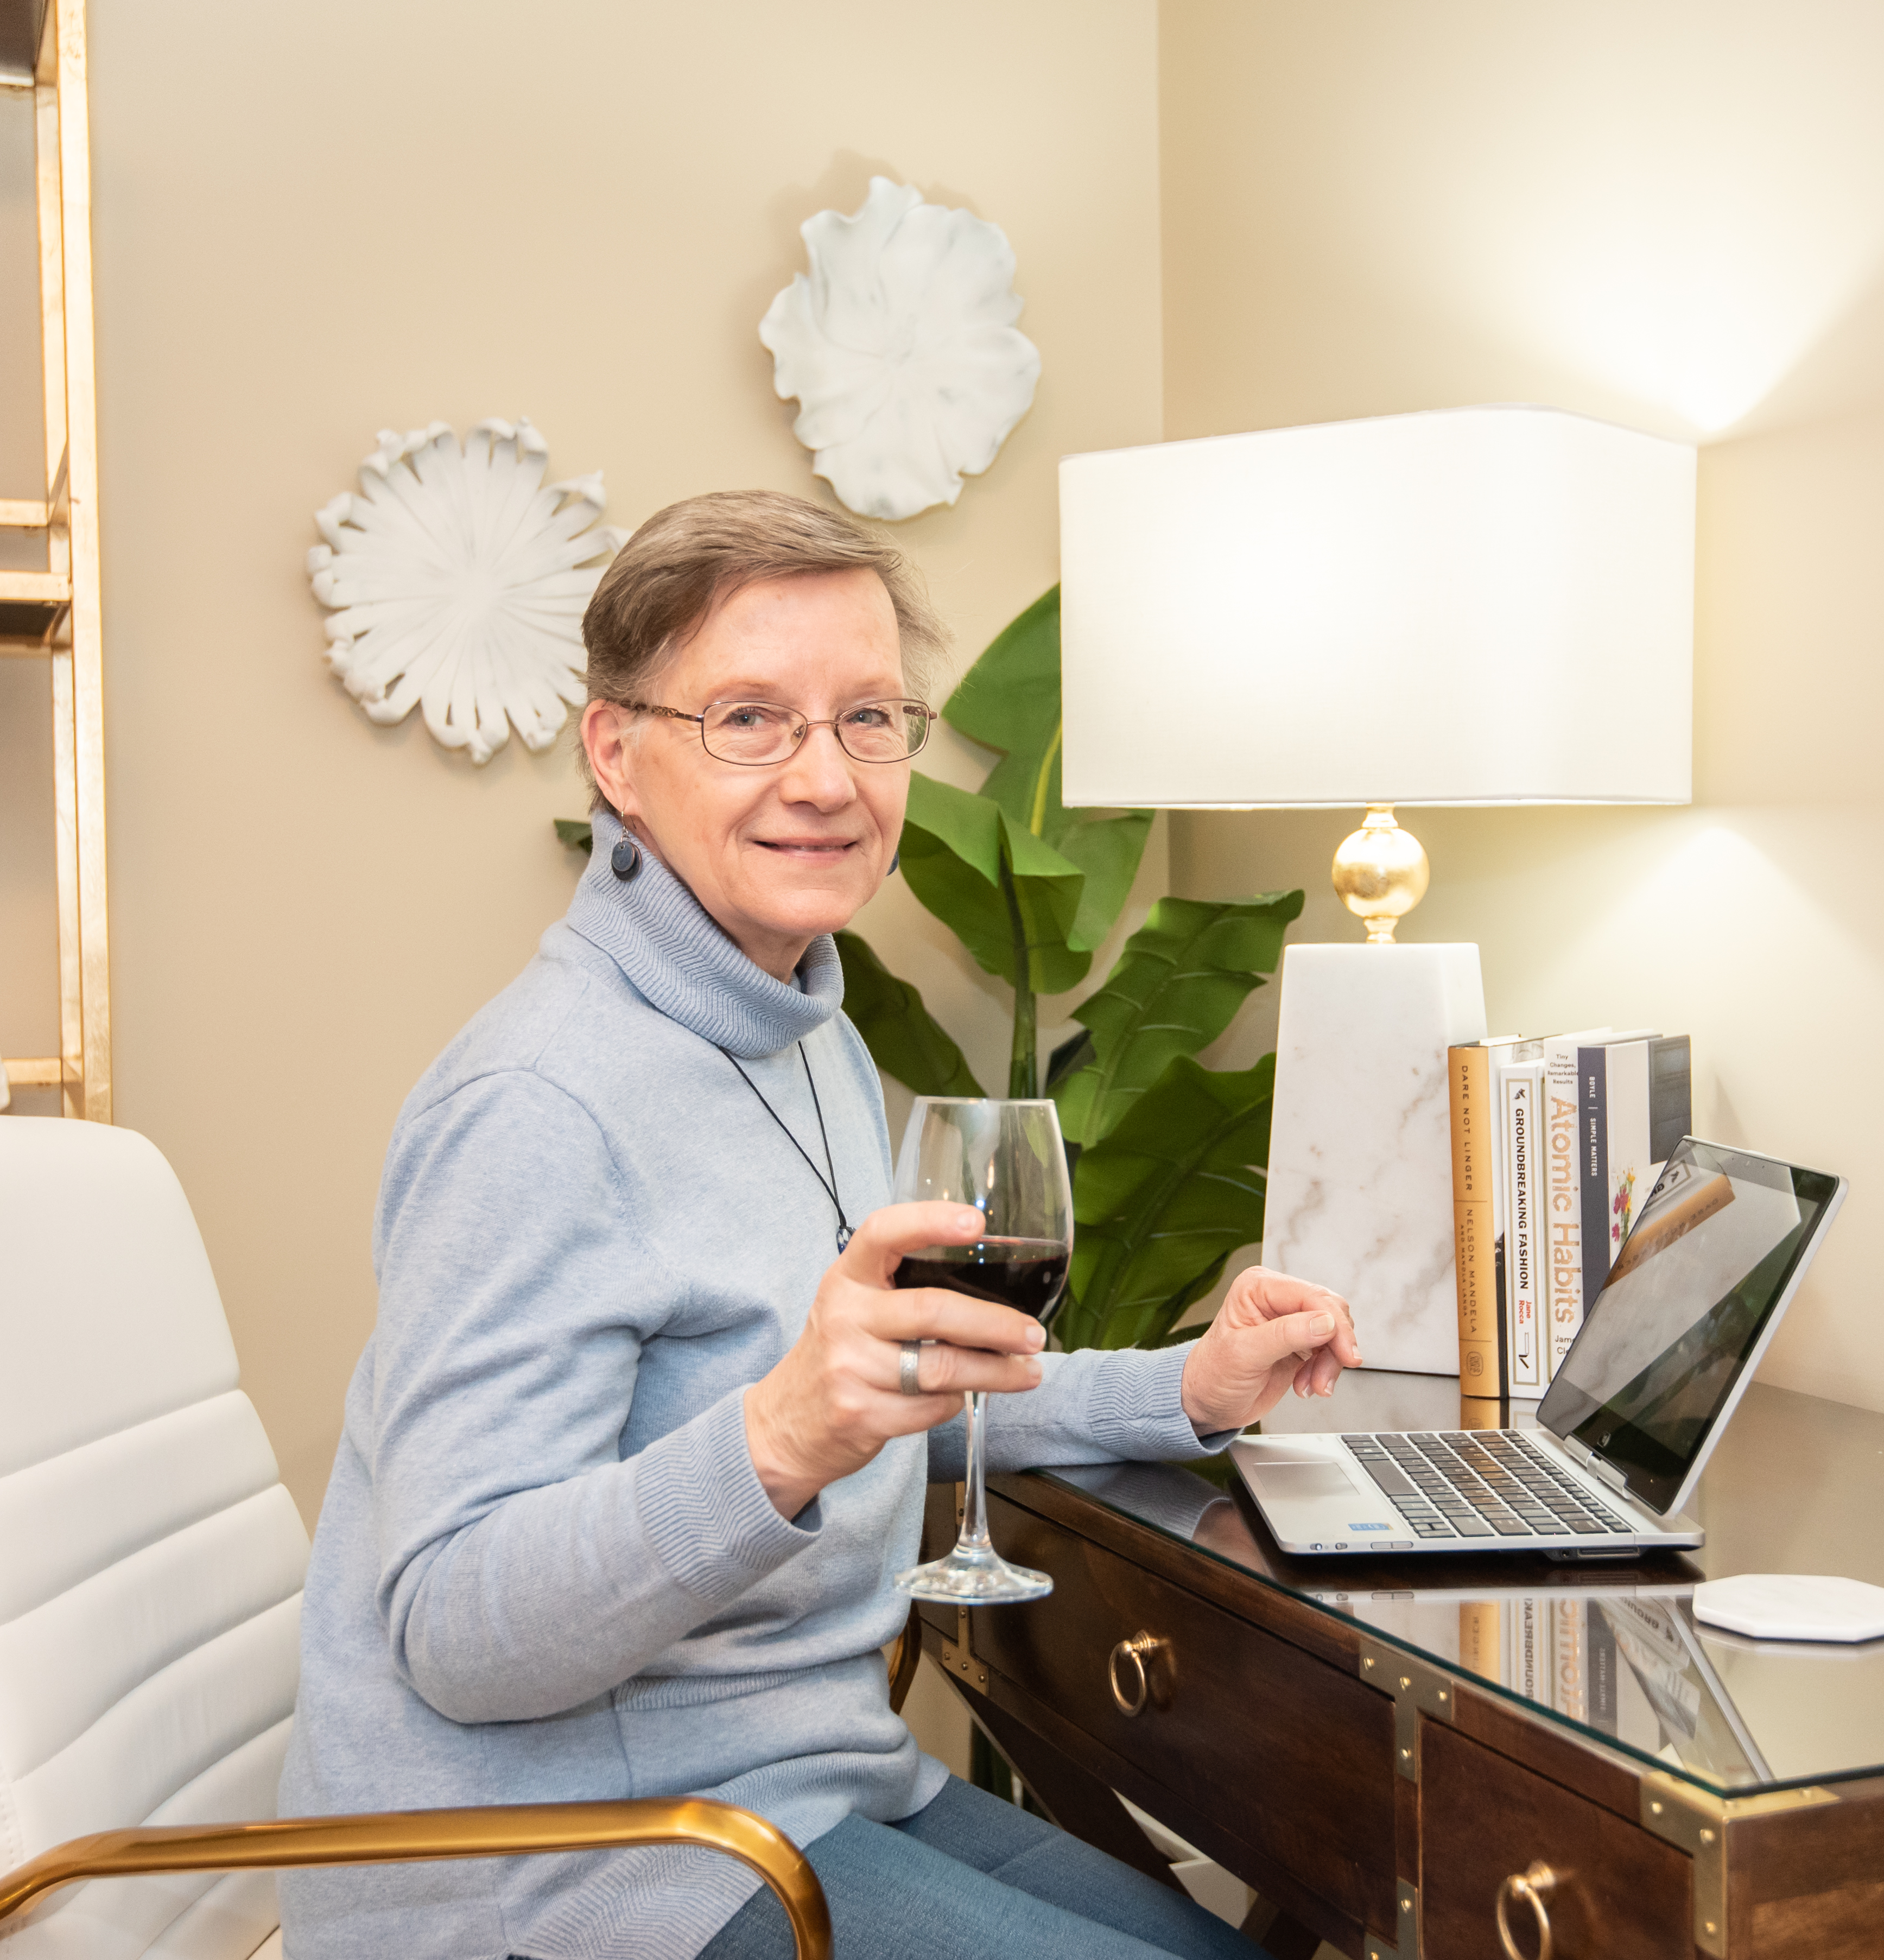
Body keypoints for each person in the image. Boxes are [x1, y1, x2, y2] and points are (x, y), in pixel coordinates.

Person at [280, 491, 1362, 1960]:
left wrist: (1183, 1391)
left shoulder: (801, 1025)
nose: (825, 777)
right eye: (747, 718)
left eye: (867, 718)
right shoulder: (537, 1102)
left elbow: (897, 1387)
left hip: (799, 1781)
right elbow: (456, 1633)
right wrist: (779, 1435)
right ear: (618, 753)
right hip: (566, 1863)